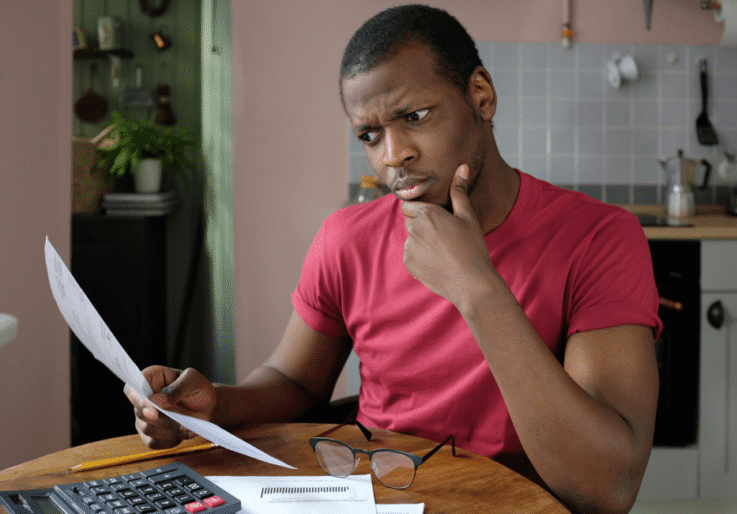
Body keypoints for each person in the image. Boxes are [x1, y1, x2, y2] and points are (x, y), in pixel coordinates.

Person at [124, 5, 661, 513]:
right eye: (370, 135)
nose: (393, 155)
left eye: (415, 116)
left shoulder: (600, 238)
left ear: (480, 95)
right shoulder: (347, 239)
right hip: (376, 498)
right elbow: (296, 381)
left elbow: (605, 490)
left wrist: (475, 287)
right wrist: (215, 406)